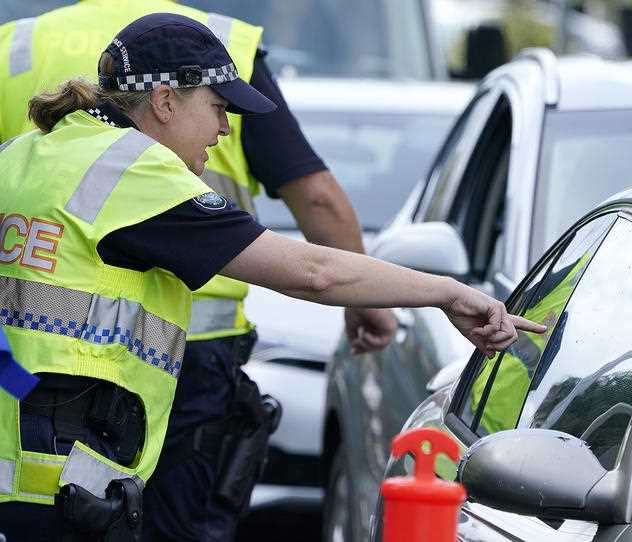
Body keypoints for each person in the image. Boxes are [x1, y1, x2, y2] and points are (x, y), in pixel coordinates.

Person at [0, 13, 545, 542]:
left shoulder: (27, 153)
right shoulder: (134, 171)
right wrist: (448, 293)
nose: (222, 131)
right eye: (217, 107)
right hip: (58, 480)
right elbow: (312, 273)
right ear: (165, 101)